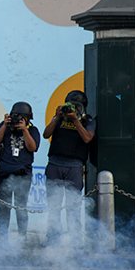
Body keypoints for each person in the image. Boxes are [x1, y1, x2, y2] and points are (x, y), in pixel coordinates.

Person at [43, 90, 96, 246]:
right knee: (54, 205)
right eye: (70, 105)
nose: (73, 109)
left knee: (73, 205)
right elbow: (46, 134)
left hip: (74, 166)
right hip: (55, 163)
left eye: (77, 106)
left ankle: (75, 240)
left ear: (83, 107)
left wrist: (76, 121)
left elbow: (87, 138)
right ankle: (52, 239)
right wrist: (56, 118)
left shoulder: (88, 121)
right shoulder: (59, 118)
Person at [0, 102, 40, 246]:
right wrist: (5, 125)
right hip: (5, 173)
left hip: (23, 174)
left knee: (21, 207)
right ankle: (2, 237)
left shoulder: (32, 130)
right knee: (4, 207)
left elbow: (33, 147)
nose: (18, 120)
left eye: (22, 117)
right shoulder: (5, 126)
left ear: (28, 118)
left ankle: (22, 237)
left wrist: (24, 130)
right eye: (16, 116)